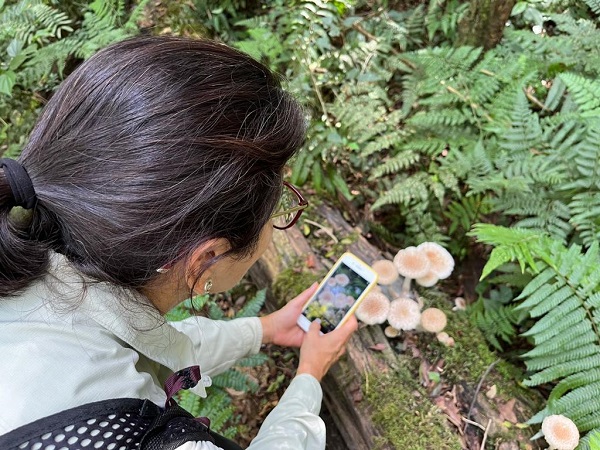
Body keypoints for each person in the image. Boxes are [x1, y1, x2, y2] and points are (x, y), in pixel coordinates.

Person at [0, 36, 357, 450]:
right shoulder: (128, 437)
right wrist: (310, 376)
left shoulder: (36, 259)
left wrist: (264, 329)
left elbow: (140, 334)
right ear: (207, 259)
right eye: (279, 208)